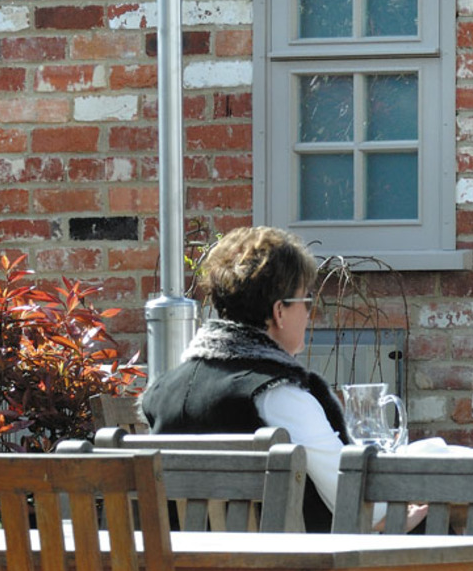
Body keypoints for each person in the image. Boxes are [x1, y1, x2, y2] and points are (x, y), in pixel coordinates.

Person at [139, 226, 346, 533]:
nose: (308, 313)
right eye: (305, 300)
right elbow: (352, 496)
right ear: (279, 312)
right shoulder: (278, 395)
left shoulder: (160, 392)